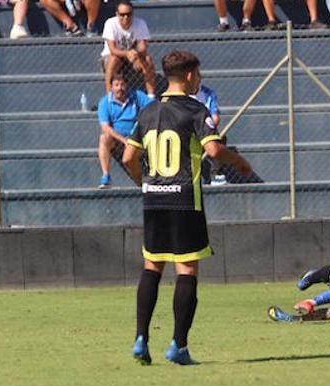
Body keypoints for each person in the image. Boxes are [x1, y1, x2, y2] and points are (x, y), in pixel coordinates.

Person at [122, 49, 254, 365]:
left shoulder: (147, 111)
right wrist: (239, 161)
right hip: (184, 200)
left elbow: (127, 158)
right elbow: (213, 149)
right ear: (191, 75)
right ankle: (178, 346)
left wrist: (145, 183)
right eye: (200, 74)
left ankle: (141, 338)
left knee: (152, 266)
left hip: (153, 199)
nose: (201, 80)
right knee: (186, 269)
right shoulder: (196, 109)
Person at [96, 71, 154, 189]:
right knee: (104, 137)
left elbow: (153, 108)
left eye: (122, 85)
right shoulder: (105, 103)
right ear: (111, 87)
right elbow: (105, 127)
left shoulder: (137, 95)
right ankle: (106, 176)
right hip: (118, 140)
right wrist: (124, 140)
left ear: (127, 86)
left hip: (138, 136)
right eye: (116, 85)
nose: (119, 88)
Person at [101, 0, 156, 97]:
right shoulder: (110, 23)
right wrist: (127, 53)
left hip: (133, 57)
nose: (125, 17)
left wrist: (135, 54)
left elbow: (143, 47)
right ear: (117, 14)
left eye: (128, 14)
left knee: (148, 60)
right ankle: (109, 95)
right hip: (113, 57)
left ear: (132, 13)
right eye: (122, 15)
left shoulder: (140, 23)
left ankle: (151, 96)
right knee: (113, 59)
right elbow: (112, 49)